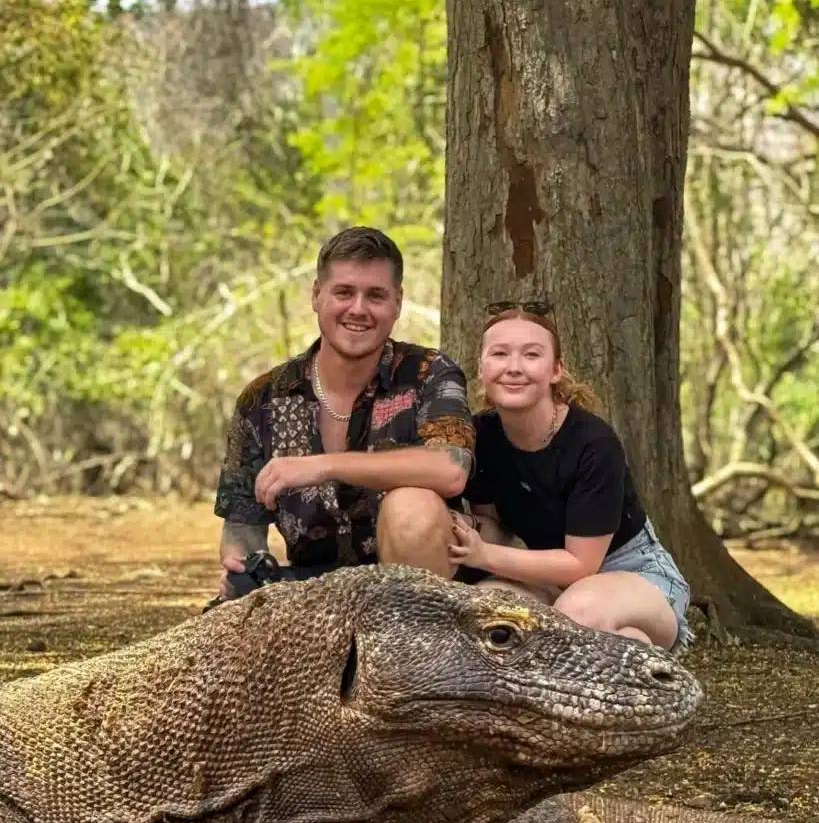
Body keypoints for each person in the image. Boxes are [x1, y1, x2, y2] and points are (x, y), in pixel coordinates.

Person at [213, 226, 475, 600]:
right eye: (344, 292)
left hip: (427, 603)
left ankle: (406, 655)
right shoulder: (262, 399)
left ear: (397, 303)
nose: (358, 309)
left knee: (410, 507)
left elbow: (451, 469)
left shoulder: (428, 373)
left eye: (376, 296)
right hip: (314, 592)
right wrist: (243, 568)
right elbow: (242, 527)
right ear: (317, 296)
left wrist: (323, 465)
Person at [447, 302, 692, 651]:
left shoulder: (593, 443)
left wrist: (483, 555)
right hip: (547, 577)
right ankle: (631, 651)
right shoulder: (480, 436)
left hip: (632, 574)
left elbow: (581, 565)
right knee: (482, 615)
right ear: (482, 368)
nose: (513, 367)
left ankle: (631, 649)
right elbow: (493, 525)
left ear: (555, 370)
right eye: (500, 354)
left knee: (579, 615)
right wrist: (458, 529)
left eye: (531, 355)